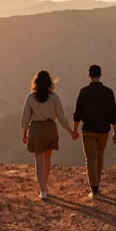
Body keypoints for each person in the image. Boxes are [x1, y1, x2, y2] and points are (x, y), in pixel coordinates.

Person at [21, 70, 75, 200]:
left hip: (36, 129)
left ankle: (43, 189)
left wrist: (24, 132)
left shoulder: (30, 97)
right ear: (49, 83)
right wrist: (71, 132)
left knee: (38, 161)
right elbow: (61, 117)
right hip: (51, 129)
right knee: (47, 159)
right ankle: (44, 184)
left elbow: (25, 118)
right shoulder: (54, 97)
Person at [73, 64, 116, 199]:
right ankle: (97, 184)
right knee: (99, 156)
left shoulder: (83, 92)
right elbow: (113, 115)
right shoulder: (108, 92)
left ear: (89, 75)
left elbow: (77, 114)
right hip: (104, 131)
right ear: (100, 75)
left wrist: (74, 131)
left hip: (88, 131)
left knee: (90, 159)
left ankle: (94, 189)